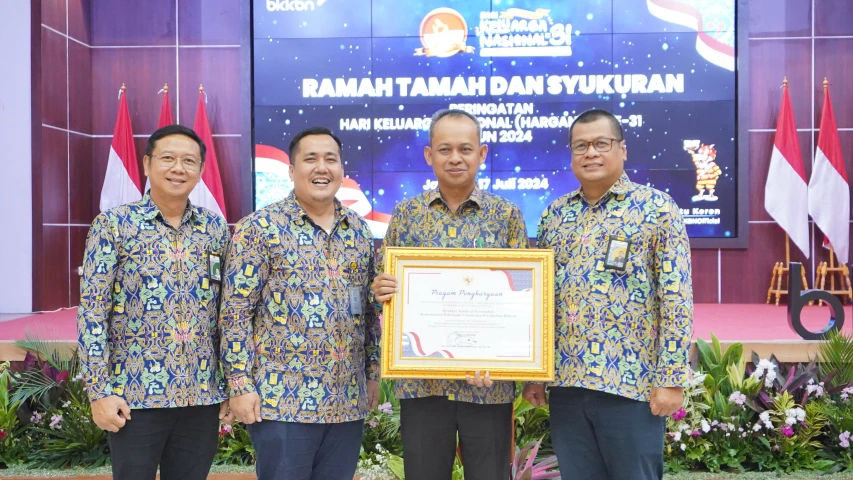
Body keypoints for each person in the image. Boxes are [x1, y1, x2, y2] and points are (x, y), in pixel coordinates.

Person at [523, 108, 694, 479]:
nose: (590, 153)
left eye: (601, 143)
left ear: (622, 149)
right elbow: (542, 300)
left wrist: (670, 379)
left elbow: (676, 299)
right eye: (580, 146)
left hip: (631, 386)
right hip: (567, 383)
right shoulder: (555, 215)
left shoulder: (657, 209)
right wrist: (536, 373)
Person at [372, 109, 528, 480]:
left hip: (488, 383)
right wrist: (381, 287)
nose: (455, 158)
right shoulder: (407, 215)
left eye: (465, 149)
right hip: (421, 382)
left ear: (482, 153)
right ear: (429, 155)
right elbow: (384, 282)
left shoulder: (506, 216)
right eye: (445, 149)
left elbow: (524, 297)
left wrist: (507, 358)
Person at [219, 126, 380, 480]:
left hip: (345, 402)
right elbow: (234, 313)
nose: (321, 167)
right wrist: (240, 385)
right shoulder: (259, 228)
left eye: (330, 159)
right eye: (310, 159)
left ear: (341, 169)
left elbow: (368, 311)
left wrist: (372, 373)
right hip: (282, 403)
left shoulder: (359, 230)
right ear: (292, 170)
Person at [77, 124, 232, 480]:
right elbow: (92, 313)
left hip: (201, 396)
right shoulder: (113, 225)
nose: (178, 168)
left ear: (200, 170)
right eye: (168, 158)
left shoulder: (214, 228)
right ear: (147, 164)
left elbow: (226, 312)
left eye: (189, 161)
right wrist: (99, 392)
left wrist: (230, 385)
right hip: (135, 396)